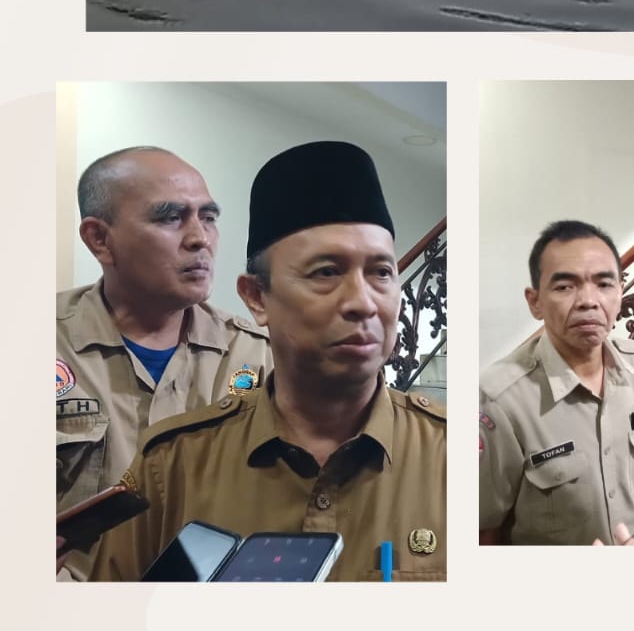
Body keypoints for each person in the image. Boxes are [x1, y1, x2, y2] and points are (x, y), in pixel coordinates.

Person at [81, 141, 446, 582]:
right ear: (257, 297)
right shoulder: (174, 465)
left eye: (381, 272)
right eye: (326, 272)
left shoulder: (453, 459)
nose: (363, 303)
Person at [57, 147, 272, 515]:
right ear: (99, 239)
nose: (200, 239)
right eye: (172, 217)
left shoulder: (257, 354)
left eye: (208, 217)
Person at [480, 220, 634, 545]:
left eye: (604, 284)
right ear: (535, 302)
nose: (589, 301)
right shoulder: (499, 399)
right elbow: (482, 533)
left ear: (620, 292)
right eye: (565, 287)